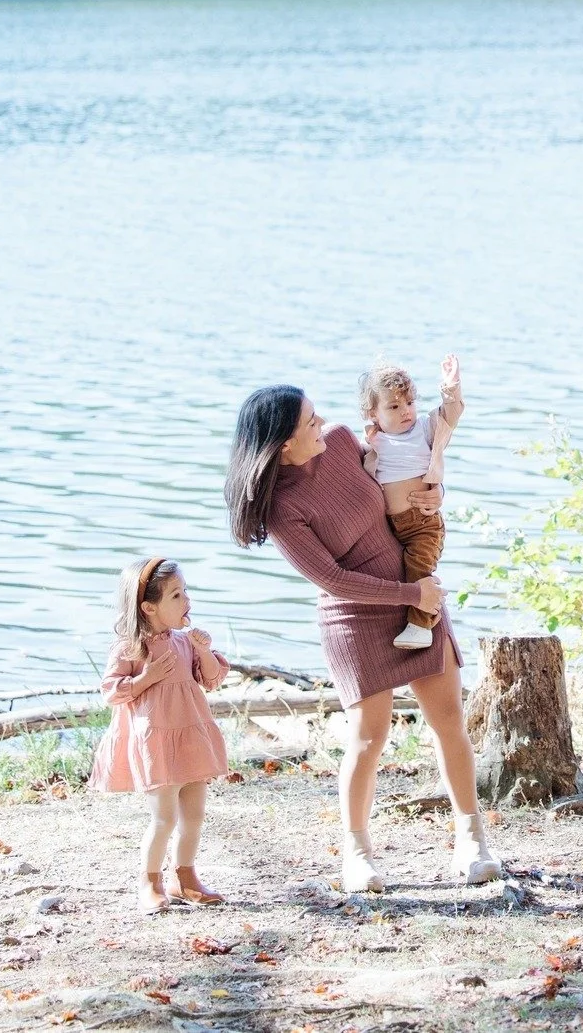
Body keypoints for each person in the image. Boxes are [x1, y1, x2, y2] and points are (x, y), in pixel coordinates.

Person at [224, 385, 500, 894]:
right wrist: (408, 590)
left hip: (416, 594)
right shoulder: (282, 509)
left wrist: (434, 494)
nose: (322, 422)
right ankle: (356, 854)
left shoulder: (343, 441)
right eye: (310, 421)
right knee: (369, 737)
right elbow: (332, 580)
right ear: (284, 443)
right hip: (355, 614)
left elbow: (403, 481)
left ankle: (471, 841)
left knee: (448, 722)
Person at [89, 557, 231, 915]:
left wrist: (202, 650)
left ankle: (184, 878)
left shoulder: (184, 643)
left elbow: (212, 678)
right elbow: (112, 691)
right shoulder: (130, 648)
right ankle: (149, 881)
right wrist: (146, 677)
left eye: (185, 593)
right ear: (149, 607)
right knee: (164, 817)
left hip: (191, 735)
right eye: (177, 595)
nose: (187, 601)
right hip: (156, 741)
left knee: (194, 815)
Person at [358, 354, 462, 651]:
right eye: (394, 406)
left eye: (410, 403)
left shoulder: (425, 430)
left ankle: (420, 627)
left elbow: (451, 413)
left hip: (422, 523)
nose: (406, 411)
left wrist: (450, 385)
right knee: (396, 572)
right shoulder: (372, 441)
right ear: (373, 413)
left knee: (419, 567)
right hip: (389, 526)